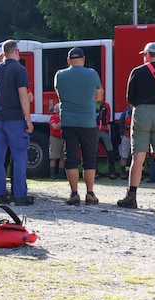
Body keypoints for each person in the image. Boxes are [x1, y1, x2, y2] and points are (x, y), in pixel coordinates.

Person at [117, 42, 155, 210]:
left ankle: (132, 196)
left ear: (148, 55)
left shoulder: (137, 72)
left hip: (142, 112)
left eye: (144, 55)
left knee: (138, 158)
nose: (143, 57)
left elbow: (130, 97)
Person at [54, 46, 103, 205]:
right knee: (89, 158)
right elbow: (99, 97)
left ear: (68, 60)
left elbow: (59, 94)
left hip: (68, 121)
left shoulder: (60, 75)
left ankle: (74, 193)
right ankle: (90, 193)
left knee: (71, 158)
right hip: (88, 122)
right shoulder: (92, 74)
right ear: (83, 59)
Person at [0, 39, 34, 206]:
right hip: (15, 118)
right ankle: (20, 195)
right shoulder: (20, 70)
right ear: (16, 51)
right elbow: (23, 95)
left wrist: (1, 54)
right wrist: (28, 119)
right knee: (19, 155)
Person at [96, 97, 116, 178]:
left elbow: (108, 115)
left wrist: (105, 125)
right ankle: (95, 172)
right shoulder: (92, 105)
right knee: (94, 152)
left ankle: (112, 171)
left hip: (104, 130)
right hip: (94, 130)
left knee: (110, 150)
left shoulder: (106, 105)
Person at [48, 103, 66, 179]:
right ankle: (52, 174)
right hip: (55, 138)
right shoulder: (53, 117)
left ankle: (61, 174)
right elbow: (54, 127)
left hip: (63, 138)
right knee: (54, 156)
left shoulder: (65, 117)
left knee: (63, 157)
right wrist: (63, 123)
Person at [118, 106, 132, 180]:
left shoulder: (140, 111)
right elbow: (121, 123)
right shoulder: (126, 112)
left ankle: (139, 172)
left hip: (137, 137)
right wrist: (122, 135)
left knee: (138, 156)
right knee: (124, 155)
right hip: (126, 136)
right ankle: (123, 172)